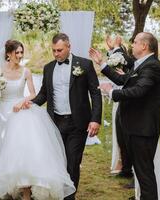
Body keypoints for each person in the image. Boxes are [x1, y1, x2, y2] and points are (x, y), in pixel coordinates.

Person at [0, 40, 75, 200]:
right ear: (8, 54)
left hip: (20, 111)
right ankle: (1, 184)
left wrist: (22, 102)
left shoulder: (26, 72)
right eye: (17, 53)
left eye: (21, 52)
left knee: (22, 150)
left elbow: (32, 93)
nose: (20, 56)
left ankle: (25, 189)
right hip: (0, 113)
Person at [24, 33, 102, 200]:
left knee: (73, 161)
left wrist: (95, 119)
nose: (56, 54)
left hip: (77, 122)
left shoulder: (85, 65)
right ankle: (60, 191)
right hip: (55, 122)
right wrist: (30, 104)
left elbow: (96, 94)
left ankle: (69, 197)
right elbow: (44, 94)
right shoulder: (48, 68)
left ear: (69, 47)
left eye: (59, 50)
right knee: (58, 160)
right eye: (53, 51)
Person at [89, 32, 160, 200]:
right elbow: (124, 80)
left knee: (145, 175)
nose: (132, 45)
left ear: (144, 46)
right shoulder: (141, 64)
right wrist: (101, 64)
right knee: (140, 172)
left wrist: (112, 92)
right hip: (134, 127)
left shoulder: (152, 66)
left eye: (135, 42)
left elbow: (139, 91)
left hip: (143, 129)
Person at [105, 35, 133, 177]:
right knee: (120, 136)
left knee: (126, 136)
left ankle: (127, 166)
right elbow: (115, 70)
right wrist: (112, 49)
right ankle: (125, 167)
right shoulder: (119, 59)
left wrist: (116, 47)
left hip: (126, 100)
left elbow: (122, 76)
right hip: (118, 100)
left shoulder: (130, 61)